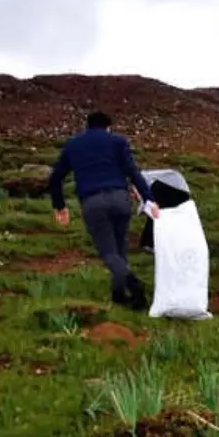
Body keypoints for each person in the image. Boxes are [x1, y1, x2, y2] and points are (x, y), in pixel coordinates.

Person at [48, 112, 160, 309]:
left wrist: (60, 206)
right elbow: (133, 172)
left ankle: (131, 283)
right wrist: (149, 199)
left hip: (93, 202)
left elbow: (55, 178)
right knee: (120, 248)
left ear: (87, 126)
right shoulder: (118, 141)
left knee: (108, 252)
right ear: (108, 127)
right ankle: (119, 295)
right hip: (120, 198)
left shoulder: (74, 144)